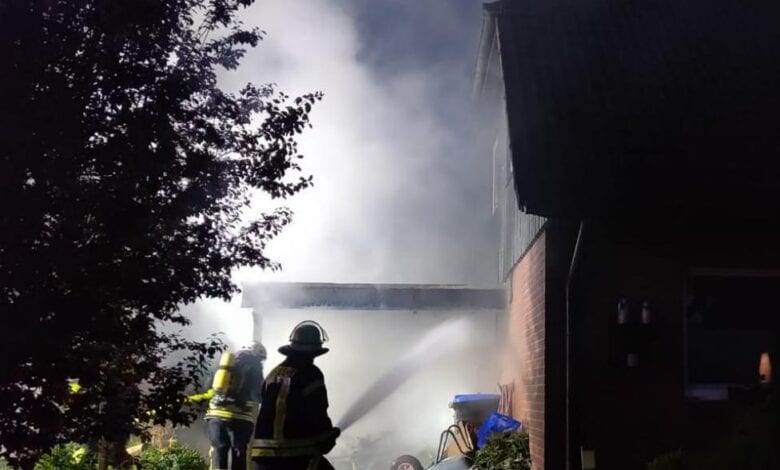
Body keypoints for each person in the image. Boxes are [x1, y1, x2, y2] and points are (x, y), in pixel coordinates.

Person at [251, 321, 340, 470]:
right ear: (314, 351)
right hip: (295, 455)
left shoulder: (274, 373)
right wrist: (327, 436)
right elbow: (316, 411)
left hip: (263, 456)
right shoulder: (310, 374)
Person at [190, 342, 266, 470]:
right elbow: (257, 395)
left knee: (219, 450)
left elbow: (207, 386)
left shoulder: (222, 366)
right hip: (241, 418)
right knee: (239, 453)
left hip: (215, 416)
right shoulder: (255, 368)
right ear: (258, 356)